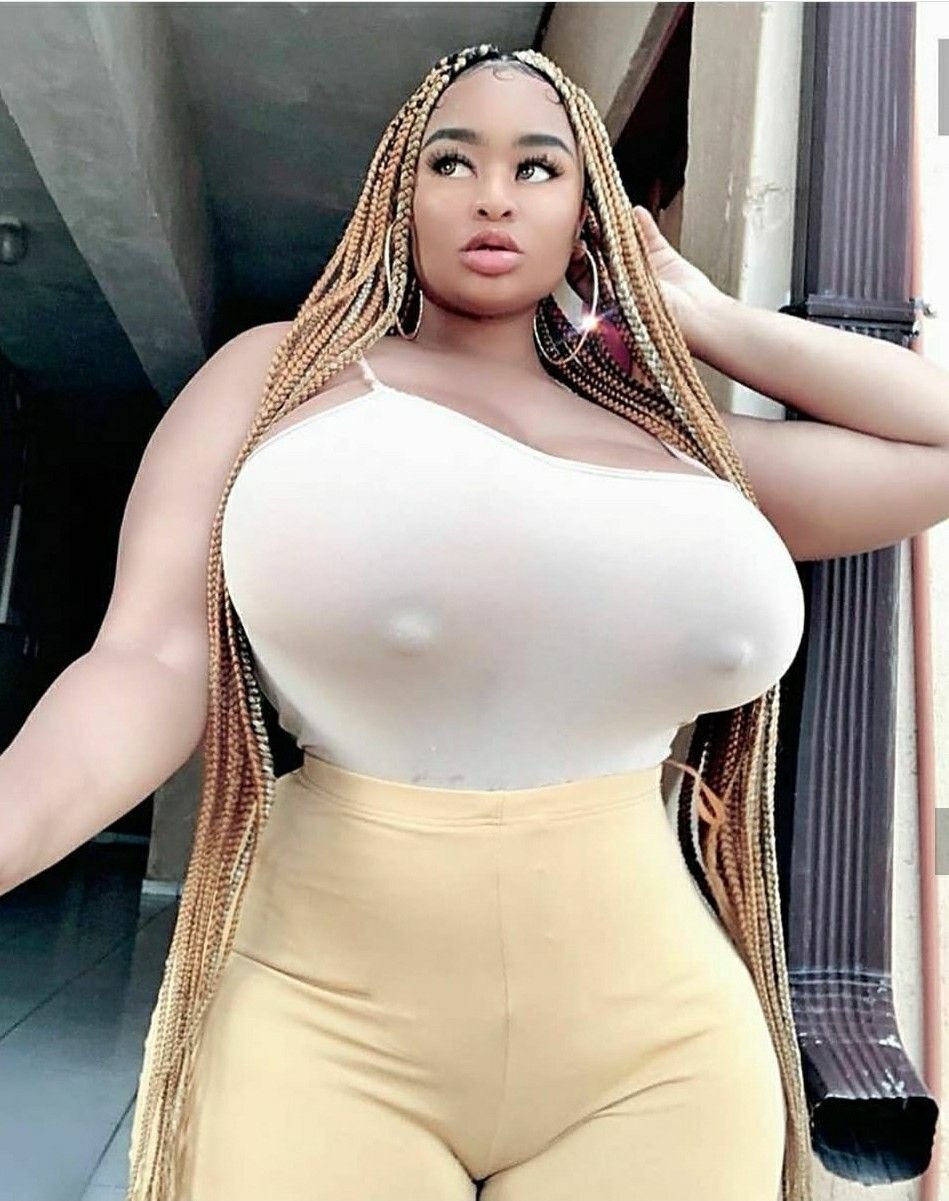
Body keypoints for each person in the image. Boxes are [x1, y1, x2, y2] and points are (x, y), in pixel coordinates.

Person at [0, 44, 812, 1201]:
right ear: (398, 192)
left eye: (538, 167)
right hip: (324, 1023)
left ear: (588, 214)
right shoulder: (282, 378)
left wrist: (706, 319)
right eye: (452, 161)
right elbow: (149, 658)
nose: (493, 195)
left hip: (665, 1051)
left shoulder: (678, 444)